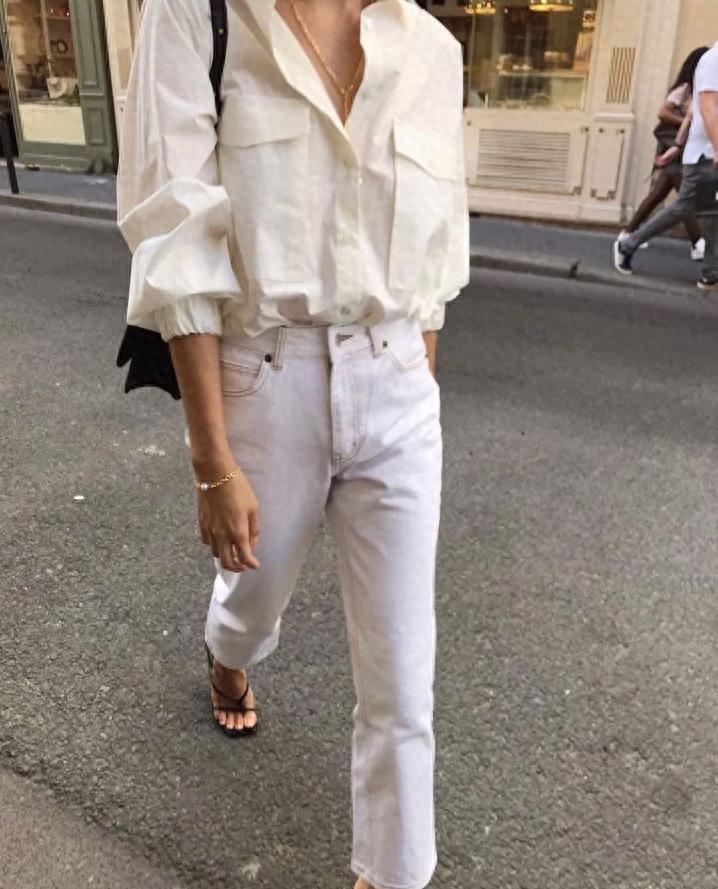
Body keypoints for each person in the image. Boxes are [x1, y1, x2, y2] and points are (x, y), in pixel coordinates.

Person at [117, 2, 470, 889]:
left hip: (397, 380)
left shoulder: (431, 47)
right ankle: (229, 653)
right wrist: (211, 461)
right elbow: (174, 238)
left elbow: (436, 257)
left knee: (402, 676)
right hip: (267, 371)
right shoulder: (200, 16)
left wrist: (411, 383)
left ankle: (391, 874)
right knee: (254, 594)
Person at [614, 41, 718, 290]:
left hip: (704, 151)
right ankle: (627, 244)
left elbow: (692, 113)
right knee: (683, 206)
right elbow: (705, 107)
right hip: (705, 154)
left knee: (712, 214)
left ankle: (710, 272)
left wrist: (677, 146)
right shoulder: (713, 60)